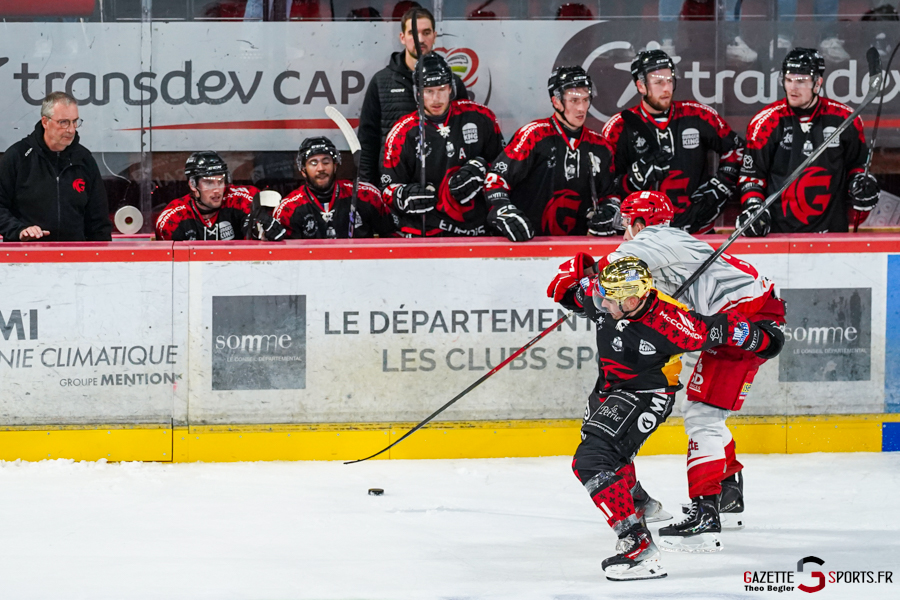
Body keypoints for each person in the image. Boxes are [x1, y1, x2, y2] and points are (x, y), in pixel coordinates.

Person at [548, 256, 783, 580]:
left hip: (646, 395)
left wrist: (766, 339)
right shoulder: (606, 294)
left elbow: (725, 328)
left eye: (609, 301)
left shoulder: (672, 323)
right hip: (609, 388)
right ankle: (638, 502)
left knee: (592, 461)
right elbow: (571, 294)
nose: (602, 306)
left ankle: (639, 548)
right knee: (607, 453)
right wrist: (570, 280)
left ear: (633, 300)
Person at [585, 190, 785, 552]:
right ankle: (728, 494)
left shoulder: (653, 239)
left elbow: (610, 271)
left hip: (744, 321)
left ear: (640, 222)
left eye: (626, 223)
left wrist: (580, 286)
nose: (624, 231)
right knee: (706, 410)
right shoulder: (670, 246)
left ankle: (706, 514)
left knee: (703, 415)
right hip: (736, 319)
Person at [737, 48, 879, 236]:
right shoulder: (766, 123)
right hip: (778, 234)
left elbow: (857, 165)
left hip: (833, 233)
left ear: (818, 83)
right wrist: (753, 206)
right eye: (788, 80)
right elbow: (751, 176)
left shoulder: (844, 119)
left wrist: (861, 184)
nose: (792, 88)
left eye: (801, 81)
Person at [602, 50, 744, 234]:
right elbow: (605, 186)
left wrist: (720, 187)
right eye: (658, 82)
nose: (666, 88)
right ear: (641, 86)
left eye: (669, 80)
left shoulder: (698, 115)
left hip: (697, 233)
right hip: (643, 237)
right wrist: (633, 180)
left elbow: (737, 149)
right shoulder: (619, 127)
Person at [483, 66, 619, 241]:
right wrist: (502, 210)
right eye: (574, 101)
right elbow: (496, 179)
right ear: (556, 102)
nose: (581, 108)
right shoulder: (534, 135)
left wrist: (610, 209)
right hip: (529, 245)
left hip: (580, 247)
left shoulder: (601, 146)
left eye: (585, 100)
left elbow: (610, 195)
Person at [380, 53, 504, 237]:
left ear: (451, 88)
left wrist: (482, 169)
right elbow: (387, 190)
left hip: (476, 230)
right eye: (428, 91)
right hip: (425, 233)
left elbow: (504, 169)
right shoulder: (402, 133)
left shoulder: (481, 118)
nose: (436, 99)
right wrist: (402, 195)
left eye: (441, 89)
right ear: (417, 92)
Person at [357, 7, 468, 185]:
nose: (420, 39)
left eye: (426, 32)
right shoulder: (381, 81)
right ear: (402, 37)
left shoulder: (452, 83)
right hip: (394, 184)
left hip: (442, 185)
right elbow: (368, 140)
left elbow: (464, 134)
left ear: (434, 36)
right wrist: (367, 186)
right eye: (413, 33)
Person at [0, 91, 111, 242]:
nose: (71, 129)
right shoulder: (18, 156)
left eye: (75, 121)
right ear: (45, 122)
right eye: (63, 122)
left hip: (76, 253)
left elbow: (99, 220)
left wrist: (102, 254)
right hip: (27, 252)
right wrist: (19, 230)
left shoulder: (84, 159)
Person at [274, 136, 397, 238]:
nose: (321, 168)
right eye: (313, 163)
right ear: (303, 170)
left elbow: (394, 236)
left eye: (326, 162)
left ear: (335, 166)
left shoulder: (366, 195)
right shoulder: (288, 209)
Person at [155, 151, 285, 241]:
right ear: (193, 185)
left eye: (220, 181)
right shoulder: (173, 219)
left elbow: (257, 233)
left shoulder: (240, 200)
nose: (217, 190)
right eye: (209, 182)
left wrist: (262, 231)